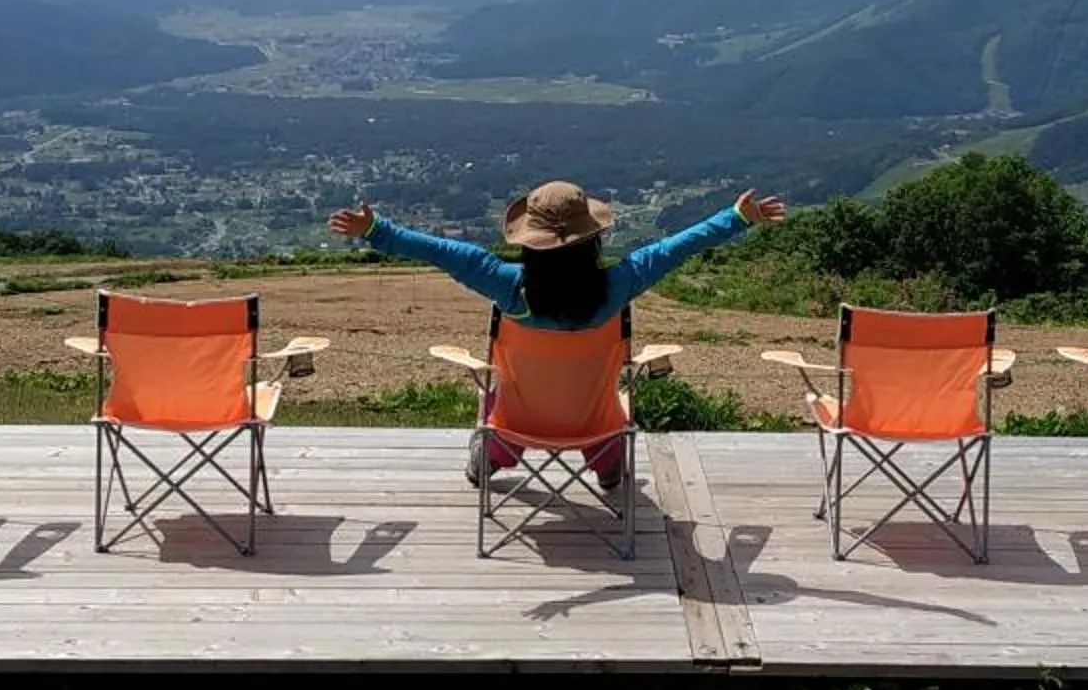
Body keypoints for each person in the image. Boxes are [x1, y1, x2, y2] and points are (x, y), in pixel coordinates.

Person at [330, 181, 788, 486]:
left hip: (519, 424)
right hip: (594, 423)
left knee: (500, 401)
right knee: (605, 402)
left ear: (529, 242)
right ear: (593, 240)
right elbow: (677, 248)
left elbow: (441, 252)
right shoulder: (618, 285)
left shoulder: (506, 286)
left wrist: (375, 230)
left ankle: (492, 456)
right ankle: (607, 466)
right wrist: (738, 218)